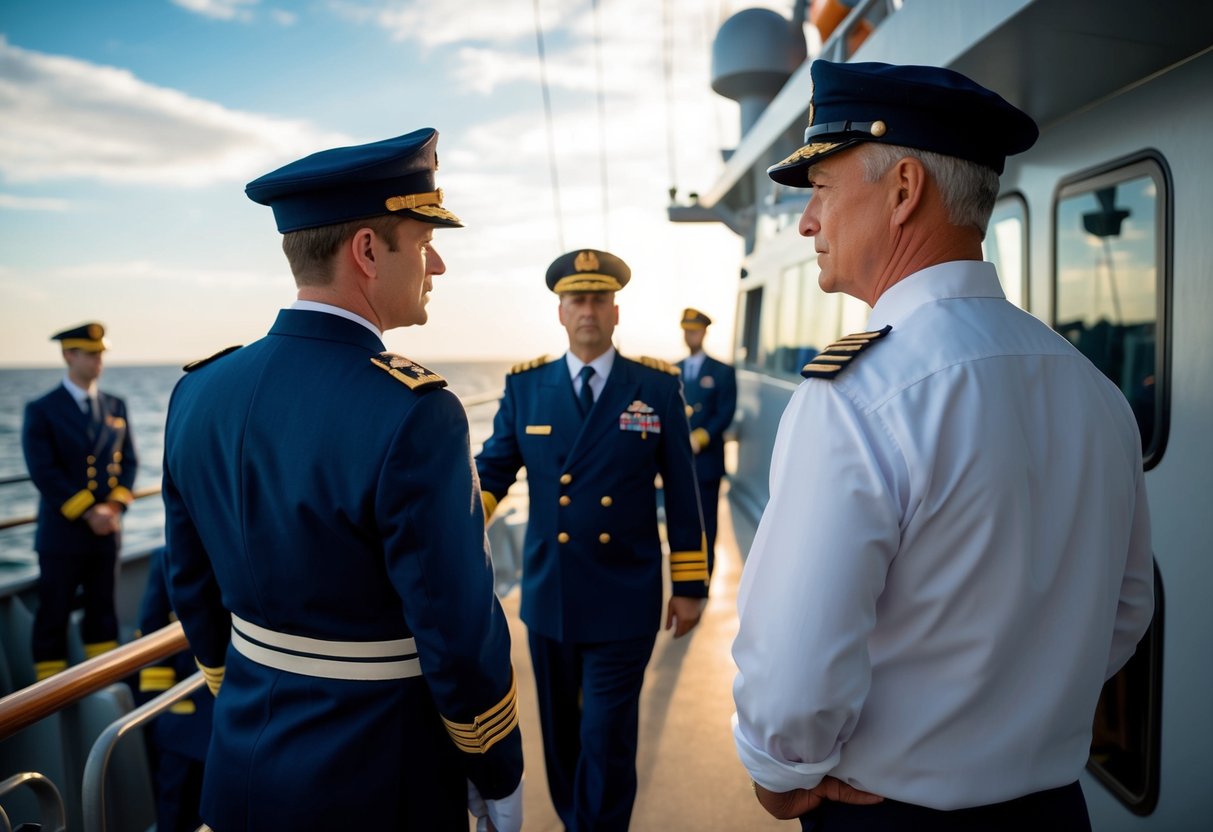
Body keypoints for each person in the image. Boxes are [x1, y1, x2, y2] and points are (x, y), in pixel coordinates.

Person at [730, 61, 1155, 830]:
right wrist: (1017, 715)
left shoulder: (855, 396)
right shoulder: (1092, 388)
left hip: (889, 812)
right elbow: (1124, 610)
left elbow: (793, 673)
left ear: (901, 190)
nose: (806, 222)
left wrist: (777, 773)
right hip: (1055, 812)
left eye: (820, 189)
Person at [161, 128, 524, 831]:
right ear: (365, 251)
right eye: (421, 241)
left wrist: (240, 695)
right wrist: (496, 772)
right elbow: (456, 635)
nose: (437, 264)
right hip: (375, 777)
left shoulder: (198, 391)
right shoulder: (414, 412)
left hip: (240, 762)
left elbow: (191, 587)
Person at [476, 248, 708, 831]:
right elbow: (494, 471)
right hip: (550, 597)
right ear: (560, 312)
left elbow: (683, 491)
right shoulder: (527, 387)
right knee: (561, 743)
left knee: (605, 737)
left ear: (616, 311)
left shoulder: (654, 387)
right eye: (576, 299)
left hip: (624, 599)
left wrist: (690, 585)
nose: (588, 310)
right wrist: (442, 530)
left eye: (598, 299)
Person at [21, 322, 138, 681]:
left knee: (103, 611)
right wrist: (89, 511)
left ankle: (102, 683)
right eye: (90, 354)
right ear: (69, 355)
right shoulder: (42, 409)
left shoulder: (115, 404)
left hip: (106, 531)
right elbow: (43, 471)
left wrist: (113, 508)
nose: (98, 360)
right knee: (53, 613)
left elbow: (130, 462)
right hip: (63, 533)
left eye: (101, 353)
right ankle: (48, 697)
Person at [133, 546, 212, 832]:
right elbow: (152, 631)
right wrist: (166, 706)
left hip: (232, 712)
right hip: (184, 713)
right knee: (178, 807)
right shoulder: (168, 556)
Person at [677, 307, 737, 579]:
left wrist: (701, 437)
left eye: (695, 330)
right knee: (681, 519)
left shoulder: (722, 371)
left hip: (706, 460)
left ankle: (705, 573)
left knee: (706, 521)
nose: (691, 335)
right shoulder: (672, 370)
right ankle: (683, 572)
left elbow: (725, 412)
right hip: (678, 460)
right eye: (687, 331)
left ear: (703, 333)